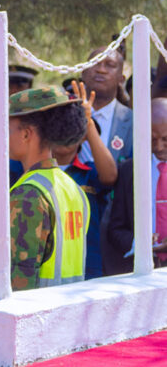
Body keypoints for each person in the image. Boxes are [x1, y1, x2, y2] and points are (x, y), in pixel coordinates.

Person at [7, 87, 90, 290]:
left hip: (33, 308)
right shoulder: (73, 188)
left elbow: (20, 281)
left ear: (26, 134)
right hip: (65, 306)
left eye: (7, 129)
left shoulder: (28, 195)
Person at [51, 81, 117, 279]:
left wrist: (87, 122)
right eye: (59, 127)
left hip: (87, 270)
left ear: (84, 137)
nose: (65, 133)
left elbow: (110, 176)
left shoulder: (89, 173)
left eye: (73, 129)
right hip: (48, 271)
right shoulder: (30, 170)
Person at [105, 97, 167, 274]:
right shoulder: (130, 171)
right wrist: (138, 242)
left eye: (166, 139)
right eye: (152, 139)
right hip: (144, 270)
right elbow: (116, 229)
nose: (159, 147)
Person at [80, 47, 133, 165]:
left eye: (110, 65)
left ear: (121, 79)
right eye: (95, 63)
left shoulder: (133, 121)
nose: (101, 70)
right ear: (83, 73)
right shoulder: (65, 112)